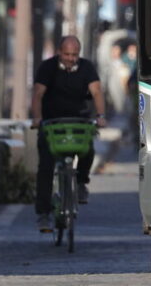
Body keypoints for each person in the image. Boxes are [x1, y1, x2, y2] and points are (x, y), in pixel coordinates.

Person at [31, 35, 107, 232]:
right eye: (67, 54)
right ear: (59, 52)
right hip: (51, 122)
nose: (71, 58)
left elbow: (96, 91)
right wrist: (37, 118)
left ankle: (81, 183)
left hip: (78, 120)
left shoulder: (86, 67)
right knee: (46, 167)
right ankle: (43, 214)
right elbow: (38, 93)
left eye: (75, 55)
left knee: (88, 150)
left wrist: (100, 116)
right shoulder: (47, 68)